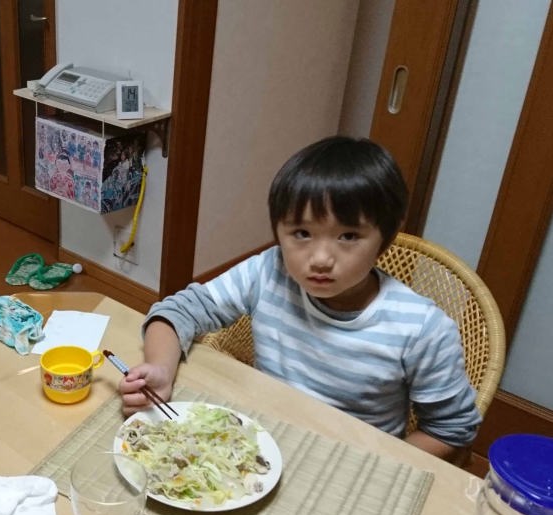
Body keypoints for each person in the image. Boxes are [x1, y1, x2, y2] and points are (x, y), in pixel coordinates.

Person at [118, 136, 481, 464]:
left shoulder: (421, 328)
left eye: (348, 236)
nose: (321, 258)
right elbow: (179, 311)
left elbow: (450, 430)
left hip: (350, 463)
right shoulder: (267, 271)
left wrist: (374, 464)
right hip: (259, 445)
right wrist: (161, 370)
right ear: (278, 231)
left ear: (386, 236)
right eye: (302, 233)